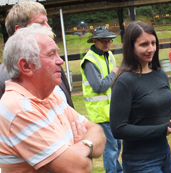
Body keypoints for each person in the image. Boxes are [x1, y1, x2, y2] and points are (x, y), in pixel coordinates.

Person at [0, 23, 106, 172]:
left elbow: (97, 131)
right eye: (51, 55)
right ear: (26, 66)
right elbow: (78, 169)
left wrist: (83, 146)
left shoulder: (50, 96)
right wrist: (85, 155)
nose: (60, 61)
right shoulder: (19, 109)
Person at [109, 21, 171, 172]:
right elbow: (118, 129)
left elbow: (169, 108)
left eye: (153, 43)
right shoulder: (125, 81)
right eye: (144, 44)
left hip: (164, 154)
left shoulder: (160, 74)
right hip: (140, 161)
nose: (151, 49)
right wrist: (161, 130)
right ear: (131, 47)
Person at [1, 1, 74, 107]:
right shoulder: (3, 80)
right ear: (20, 30)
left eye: (47, 22)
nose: (48, 27)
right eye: (41, 23)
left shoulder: (54, 64)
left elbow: (69, 108)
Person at [81, 26, 123, 173]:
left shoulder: (108, 54)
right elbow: (99, 87)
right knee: (111, 149)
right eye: (104, 41)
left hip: (112, 111)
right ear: (95, 41)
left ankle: (118, 170)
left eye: (109, 41)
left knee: (117, 146)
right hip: (100, 113)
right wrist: (113, 74)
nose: (107, 44)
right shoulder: (89, 61)